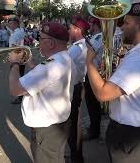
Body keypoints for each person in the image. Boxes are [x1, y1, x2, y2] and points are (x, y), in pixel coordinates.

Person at [86, 2, 140, 163]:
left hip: (131, 134)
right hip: (135, 130)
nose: (121, 27)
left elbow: (103, 94)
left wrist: (89, 62)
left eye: (126, 22)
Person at [7, 22, 77, 163]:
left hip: (46, 128)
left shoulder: (50, 66)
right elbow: (45, 80)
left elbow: (15, 89)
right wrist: (29, 61)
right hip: (57, 124)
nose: (38, 43)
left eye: (41, 39)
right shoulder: (66, 59)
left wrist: (14, 64)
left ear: (51, 43)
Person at [67, 16, 90, 163]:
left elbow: (60, 65)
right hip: (79, 86)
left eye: (70, 28)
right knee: (76, 123)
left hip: (74, 89)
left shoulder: (76, 48)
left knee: (72, 126)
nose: (68, 31)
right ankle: (77, 156)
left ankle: (76, 158)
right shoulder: (85, 44)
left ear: (77, 30)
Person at [83, 17, 103, 141]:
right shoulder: (101, 36)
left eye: (91, 23)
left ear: (95, 25)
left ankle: (94, 130)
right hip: (99, 71)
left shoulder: (98, 37)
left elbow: (89, 51)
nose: (89, 25)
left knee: (92, 103)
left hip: (93, 72)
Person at [8, 17, 25, 104]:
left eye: (11, 23)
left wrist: (10, 55)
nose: (10, 25)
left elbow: (13, 46)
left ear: (16, 24)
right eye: (9, 24)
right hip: (20, 56)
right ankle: (20, 96)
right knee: (20, 76)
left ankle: (19, 97)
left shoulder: (16, 33)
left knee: (17, 77)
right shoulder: (19, 31)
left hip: (16, 57)